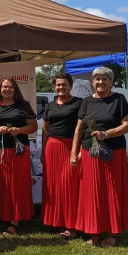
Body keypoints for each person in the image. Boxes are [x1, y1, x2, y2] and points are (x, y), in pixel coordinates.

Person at [71, 67, 128, 247]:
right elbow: (78, 129)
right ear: (92, 82)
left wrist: (107, 134)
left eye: (105, 79)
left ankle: (112, 231)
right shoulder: (87, 102)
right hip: (89, 152)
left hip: (112, 151)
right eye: (97, 79)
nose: (100, 82)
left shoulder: (118, 100)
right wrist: (74, 153)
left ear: (111, 82)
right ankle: (94, 230)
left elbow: (127, 126)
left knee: (111, 191)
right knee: (92, 193)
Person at [0, 76, 38, 237]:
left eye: (10, 87)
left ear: (15, 90)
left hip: (17, 152)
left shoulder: (23, 106)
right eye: (4, 87)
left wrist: (19, 130)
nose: (7, 90)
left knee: (16, 186)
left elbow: (33, 127)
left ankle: (14, 221)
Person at [41, 72, 82, 240]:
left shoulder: (79, 103)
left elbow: (82, 129)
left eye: (64, 84)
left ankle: (72, 226)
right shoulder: (50, 105)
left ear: (70, 86)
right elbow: (45, 130)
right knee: (53, 186)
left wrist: (77, 151)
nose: (60, 87)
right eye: (58, 84)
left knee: (69, 186)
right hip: (52, 148)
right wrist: (43, 151)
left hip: (69, 147)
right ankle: (55, 221)